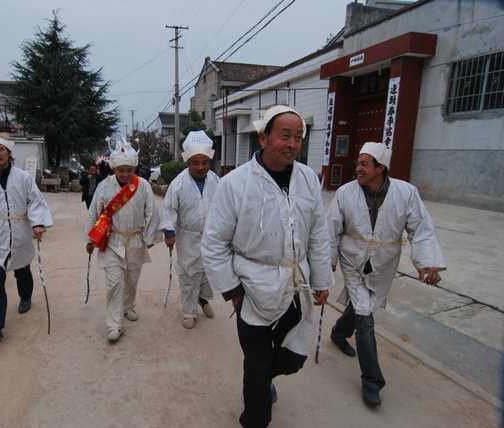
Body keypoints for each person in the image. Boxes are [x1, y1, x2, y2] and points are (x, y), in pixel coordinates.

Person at [202, 105, 332, 427]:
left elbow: (318, 233)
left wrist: (322, 279)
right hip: (251, 287)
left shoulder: (308, 180)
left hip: (293, 284)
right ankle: (255, 418)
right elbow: (214, 242)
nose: (292, 144)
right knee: (258, 365)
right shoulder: (235, 184)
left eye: (298, 137)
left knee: (293, 358)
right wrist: (232, 288)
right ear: (263, 138)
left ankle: (261, 377)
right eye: (285, 136)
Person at [329, 141, 445, 407]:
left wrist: (427, 262)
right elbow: (331, 229)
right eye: (357, 163)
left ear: (380, 168)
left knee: (363, 305)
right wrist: (329, 260)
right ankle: (372, 381)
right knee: (365, 315)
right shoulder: (346, 193)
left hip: (383, 261)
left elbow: (421, 228)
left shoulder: (406, 193)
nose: (357, 168)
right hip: (352, 256)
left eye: (364, 164)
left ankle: (338, 333)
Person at [0, 134, 53, 341]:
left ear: (8, 153)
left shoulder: (23, 177)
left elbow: (35, 201)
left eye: (1, 150)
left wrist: (38, 223)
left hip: (20, 231)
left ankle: (25, 297)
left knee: (22, 268)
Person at [85, 138, 161, 343]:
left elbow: (151, 212)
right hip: (112, 240)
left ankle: (128, 306)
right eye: (121, 170)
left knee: (131, 280)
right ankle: (114, 324)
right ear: (114, 169)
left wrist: (150, 236)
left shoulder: (143, 186)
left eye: (129, 170)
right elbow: (94, 212)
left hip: (135, 240)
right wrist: (90, 239)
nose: (125, 174)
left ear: (133, 168)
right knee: (114, 283)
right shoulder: (104, 186)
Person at [160, 131, 220, 329]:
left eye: (204, 162)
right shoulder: (178, 184)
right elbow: (169, 209)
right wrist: (169, 232)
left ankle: (202, 300)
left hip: (211, 235)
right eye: (196, 163)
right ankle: (189, 310)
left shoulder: (216, 181)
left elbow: (225, 207)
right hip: (187, 236)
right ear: (188, 162)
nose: (201, 167)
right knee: (189, 273)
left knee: (207, 271)